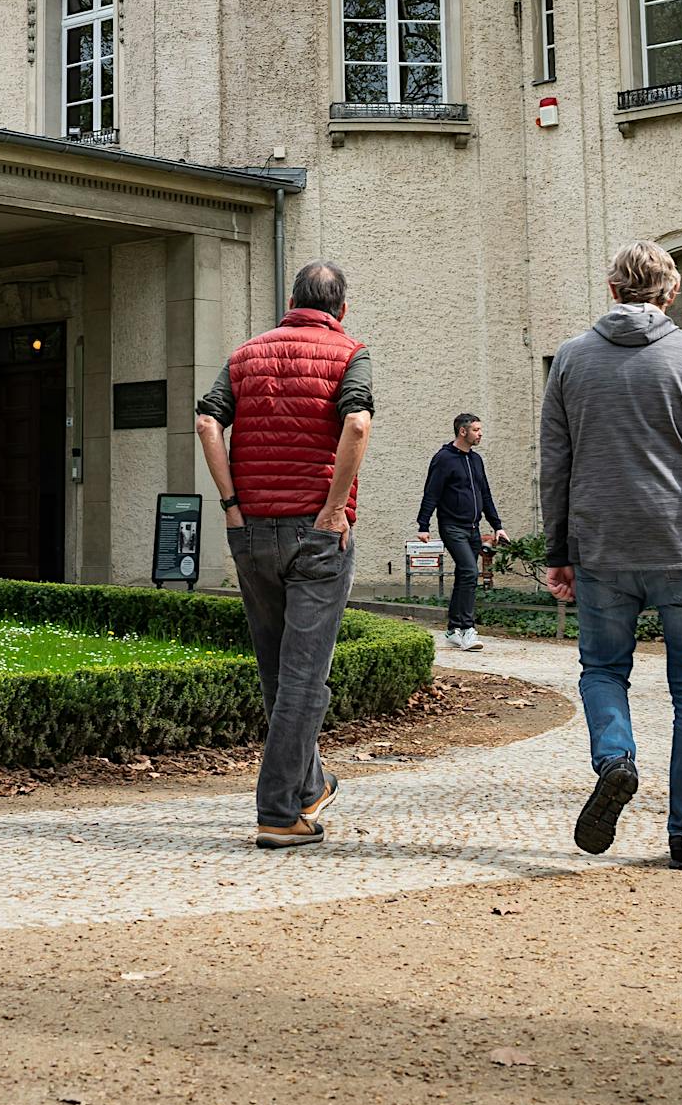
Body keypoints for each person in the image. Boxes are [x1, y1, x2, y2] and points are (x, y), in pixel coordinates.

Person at [539, 241, 682, 872]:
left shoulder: (572, 360)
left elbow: (556, 465)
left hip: (602, 546)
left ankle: (616, 760)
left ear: (611, 291)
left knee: (604, 670)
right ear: (672, 292)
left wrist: (557, 551)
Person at [196, 259, 373, 850]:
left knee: (277, 670)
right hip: (316, 534)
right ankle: (277, 809)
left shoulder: (245, 355)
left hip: (251, 532)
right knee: (306, 677)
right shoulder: (350, 352)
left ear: (291, 302)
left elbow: (206, 423)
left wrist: (230, 503)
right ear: (340, 308)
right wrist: (332, 508)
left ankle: (308, 786)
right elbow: (356, 426)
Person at [416, 413, 509, 650]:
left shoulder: (476, 460)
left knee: (463, 576)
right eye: (477, 430)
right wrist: (423, 525)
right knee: (469, 571)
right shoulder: (444, 459)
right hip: (451, 526)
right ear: (463, 431)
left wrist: (498, 525)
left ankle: (452, 630)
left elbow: (485, 494)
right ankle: (468, 629)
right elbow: (432, 493)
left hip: (473, 528)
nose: (480, 434)